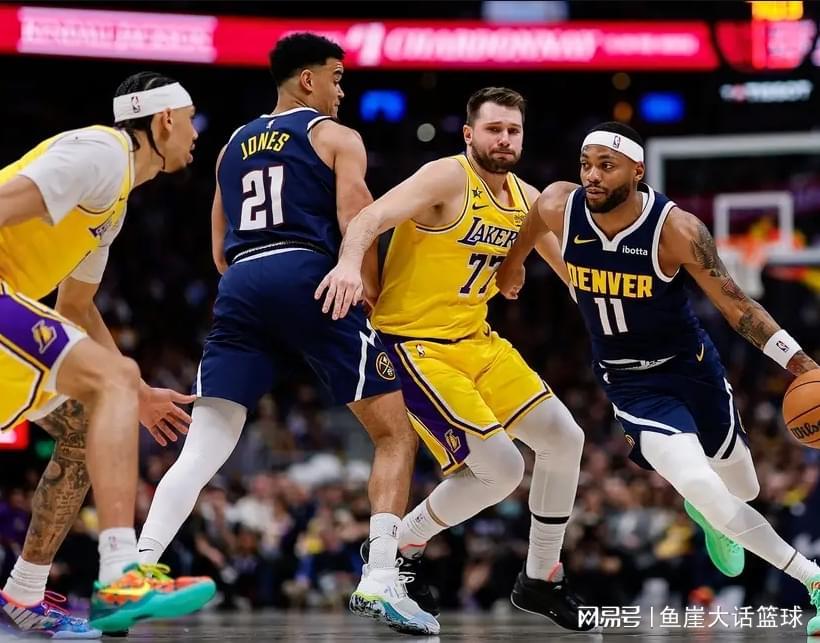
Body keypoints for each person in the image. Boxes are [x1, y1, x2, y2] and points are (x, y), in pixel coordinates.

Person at [136, 33, 438, 636]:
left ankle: (135, 572)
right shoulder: (335, 136)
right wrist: (369, 291)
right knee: (393, 434)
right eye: (337, 77)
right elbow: (358, 218)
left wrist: (255, 287)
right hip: (310, 275)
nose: (341, 90)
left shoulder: (230, 146)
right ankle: (382, 576)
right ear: (308, 80)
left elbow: (219, 248)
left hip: (242, 283)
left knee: (204, 446)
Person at [495, 121, 820, 635]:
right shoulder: (560, 203)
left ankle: (710, 513)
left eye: (607, 166)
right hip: (632, 385)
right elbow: (533, 219)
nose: (592, 175)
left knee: (743, 487)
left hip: (693, 369)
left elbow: (738, 306)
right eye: (586, 165)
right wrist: (513, 264)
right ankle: (813, 580)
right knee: (701, 483)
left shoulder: (677, 230)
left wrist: (800, 363)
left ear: (637, 171)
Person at [316, 87, 593, 631]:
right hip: (414, 344)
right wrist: (350, 266)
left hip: (476, 340)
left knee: (566, 439)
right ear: (469, 134)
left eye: (513, 130)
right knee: (503, 469)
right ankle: (404, 544)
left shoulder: (527, 200)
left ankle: (540, 577)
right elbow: (369, 217)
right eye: (494, 129)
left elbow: (575, 276)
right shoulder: (446, 177)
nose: (504, 139)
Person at [0, 71, 216, 636]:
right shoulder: (99, 151)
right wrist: (124, 382)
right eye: (190, 119)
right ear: (163, 120)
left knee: (86, 421)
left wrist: (136, 393)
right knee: (113, 379)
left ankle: (25, 591)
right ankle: (122, 572)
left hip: (10, 305)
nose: (195, 133)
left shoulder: (113, 200)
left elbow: (75, 306)